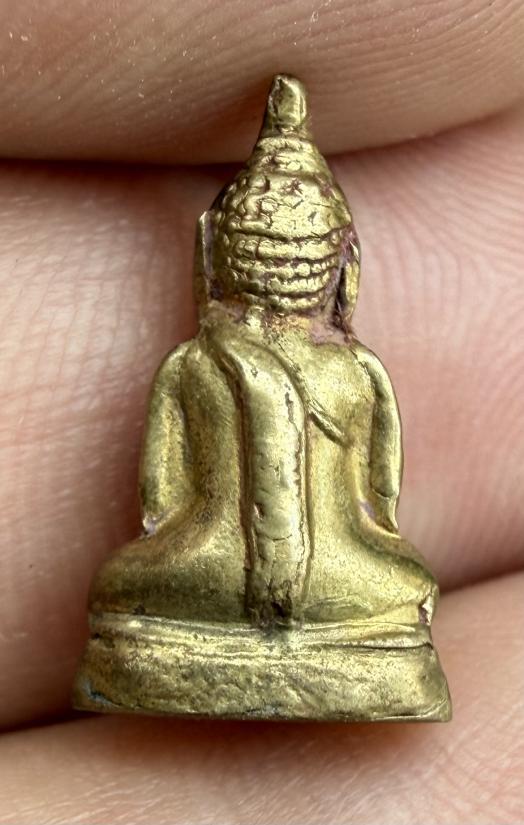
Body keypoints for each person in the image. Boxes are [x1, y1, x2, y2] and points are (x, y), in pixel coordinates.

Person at [0, 1, 523, 822]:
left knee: (122, 584)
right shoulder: (357, 373)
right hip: (346, 599)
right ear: (345, 266)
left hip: (201, 585)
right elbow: (380, 507)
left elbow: (161, 505)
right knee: (407, 585)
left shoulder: (192, 365)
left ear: (213, 255)